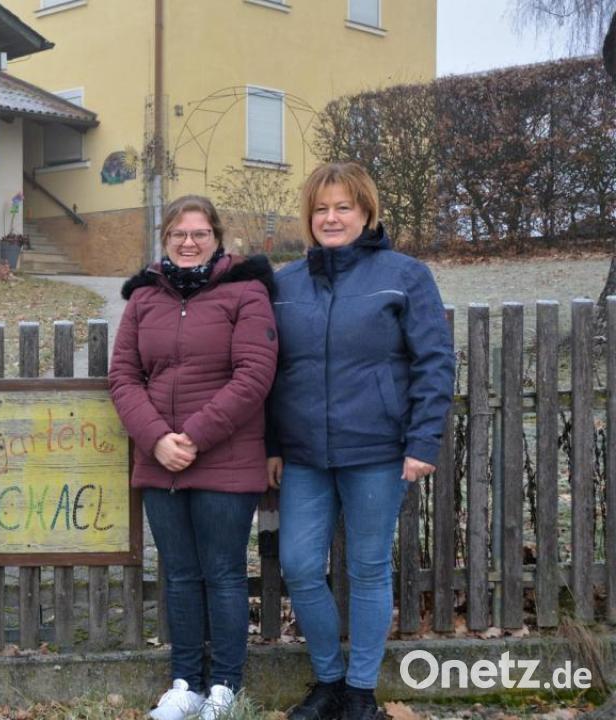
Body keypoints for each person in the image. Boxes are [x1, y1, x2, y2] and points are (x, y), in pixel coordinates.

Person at [267, 162, 454, 720]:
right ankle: (328, 680)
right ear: (309, 217)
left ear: (366, 212)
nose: (331, 217)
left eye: (343, 207)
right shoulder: (284, 284)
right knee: (300, 565)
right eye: (321, 209)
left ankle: (360, 690)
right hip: (303, 455)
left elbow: (435, 362)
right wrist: (273, 442)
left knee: (368, 568)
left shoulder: (405, 275)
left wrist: (423, 441)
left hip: (377, 450)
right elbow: (270, 370)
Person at [109, 195, 278, 720]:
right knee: (178, 573)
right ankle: (186, 682)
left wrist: (194, 437)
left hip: (225, 457)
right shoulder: (143, 301)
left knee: (224, 573)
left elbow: (254, 375)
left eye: (199, 233)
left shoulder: (246, 293)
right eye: (178, 234)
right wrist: (157, 438)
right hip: (161, 459)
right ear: (165, 240)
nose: (188, 242)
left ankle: (225, 687)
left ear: (217, 238)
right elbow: (123, 377)